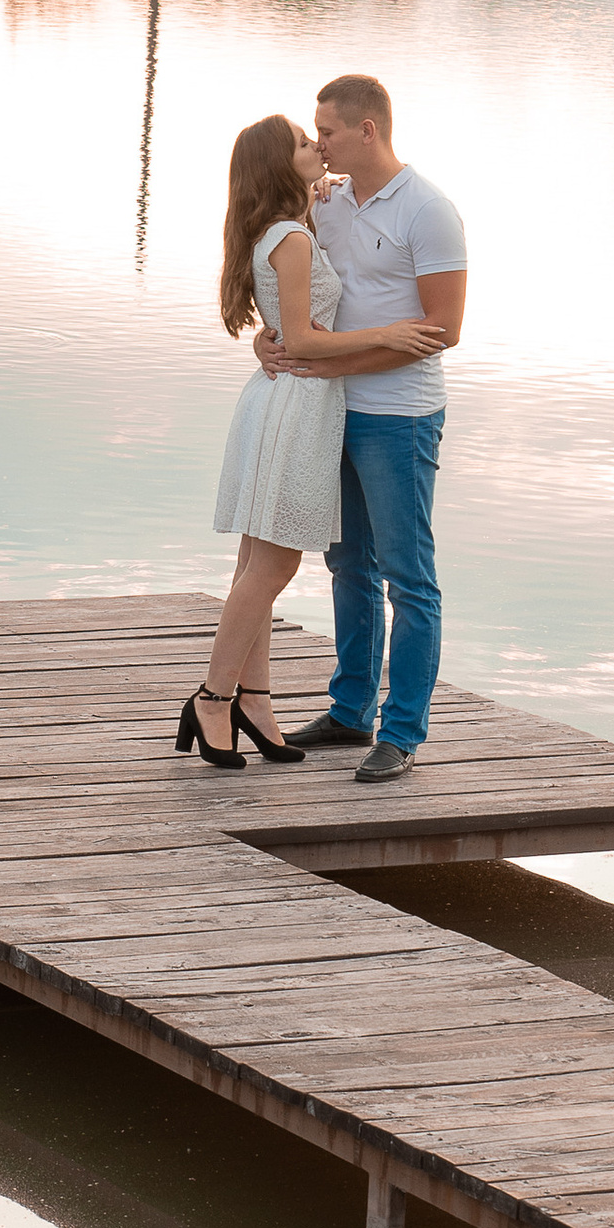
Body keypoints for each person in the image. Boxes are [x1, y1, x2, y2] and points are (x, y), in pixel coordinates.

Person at [183, 114, 445, 773]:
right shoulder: (294, 235)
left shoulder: (295, 221)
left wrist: (273, 334)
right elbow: (298, 338)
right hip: (298, 405)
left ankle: (254, 701)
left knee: (256, 566)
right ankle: (213, 699)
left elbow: (286, 323)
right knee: (271, 569)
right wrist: (388, 333)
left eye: (321, 133)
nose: (317, 146)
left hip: (289, 401)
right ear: (281, 164)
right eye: (306, 141)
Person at [259, 73, 468, 786]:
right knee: (348, 565)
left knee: (409, 578)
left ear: (366, 130)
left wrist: (334, 363)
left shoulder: (428, 211)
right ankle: (352, 712)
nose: (318, 143)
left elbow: (443, 329)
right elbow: (299, 295)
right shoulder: (328, 203)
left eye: (327, 131)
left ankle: (402, 732)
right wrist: (270, 341)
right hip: (332, 411)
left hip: (400, 419)